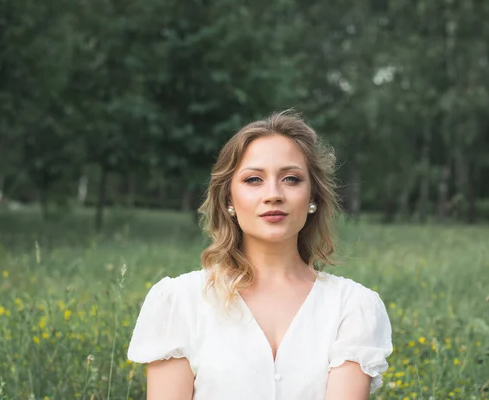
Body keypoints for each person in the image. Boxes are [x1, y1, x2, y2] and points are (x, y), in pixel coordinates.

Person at [127, 110, 393, 400]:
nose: (273, 194)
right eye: (254, 180)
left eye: (291, 179)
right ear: (228, 199)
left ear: (313, 197)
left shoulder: (353, 307)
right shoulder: (179, 303)